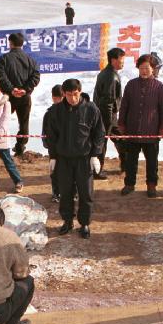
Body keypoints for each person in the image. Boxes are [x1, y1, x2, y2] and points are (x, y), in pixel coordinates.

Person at [42, 78, 105, 238]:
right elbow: (51, 136)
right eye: (69, 95)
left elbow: (99, 133)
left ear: (80, 91)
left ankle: (84, 224)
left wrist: (95, 155)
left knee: (86, 193)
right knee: (65, 192)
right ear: (63, 94)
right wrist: (53, 157)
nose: (73, 98)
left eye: (75, 94)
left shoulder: (91, 109)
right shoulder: (56, 111)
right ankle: (67, 221)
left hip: (84, 159)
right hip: (63, 159)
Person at [118, 53, 163, 198]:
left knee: (152, 162)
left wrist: (162, 127)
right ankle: (129, 184)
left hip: (151, 131)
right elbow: (124, 106)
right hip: (132, 130)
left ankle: (151, 186)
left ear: (153, 69)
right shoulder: (131, 85)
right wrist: (121, 123)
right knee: (130, 160)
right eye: (141, 68)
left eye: (147, 68)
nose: (144, 71)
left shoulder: (159, 87)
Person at [0, 33, 40, 157]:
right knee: (24, 122)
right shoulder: (30, 60)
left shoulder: (4, 59)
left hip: (8, 97)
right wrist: (25, 90)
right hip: (25, 97)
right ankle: (20, 147)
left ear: (10, 43)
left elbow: (0, 75)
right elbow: (36, 77)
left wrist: (11, 89)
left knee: (1, 120)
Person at [92, 47, 125, 178]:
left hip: (107, 114)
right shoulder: (111, 76)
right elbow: (108, 101)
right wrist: (109, 122)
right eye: (121, 59)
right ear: (113, 60)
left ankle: (125, 166)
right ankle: (97, 170)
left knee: (119, 140)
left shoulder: (108, 73)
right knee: (102, 141)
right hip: (107, 115)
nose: (123, 62)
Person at [43, 84, 65, 202]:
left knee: (69, 172)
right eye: (56, 97)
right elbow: (45, 132)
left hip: (67, 148)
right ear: (53, 98)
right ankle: (56, 193)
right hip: (54, 149)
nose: (59, 100)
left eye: (61, 97)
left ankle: (72, 193)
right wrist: (48, 145)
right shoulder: (49, 113)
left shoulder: (69, 111)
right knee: (55, 172)